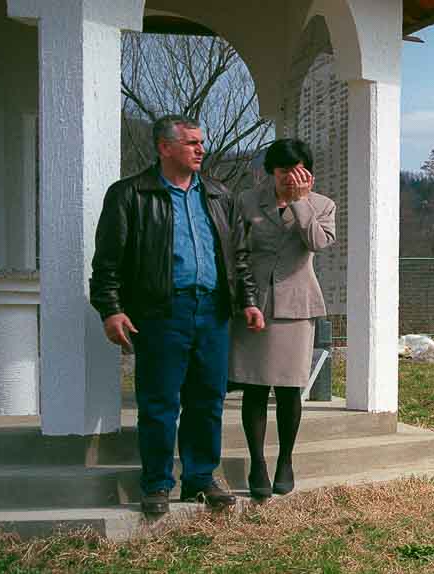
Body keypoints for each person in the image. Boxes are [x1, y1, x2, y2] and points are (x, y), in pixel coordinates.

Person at [90, 115, 259, 514]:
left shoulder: (218, 195)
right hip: (161, 311)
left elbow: (239, 257)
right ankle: (157, 484)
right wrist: (111, 309)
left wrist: (248, 300)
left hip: (213, 311)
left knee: (208, 400)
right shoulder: (131, 194)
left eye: (202, 142)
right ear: (164, 147)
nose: (201, 150)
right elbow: (107, 261)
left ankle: (200, 478)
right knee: (160, 402)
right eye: (191, 143)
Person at [230, 139, 335, 500]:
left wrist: (300, 203)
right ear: (269, 172)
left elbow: (319, 243)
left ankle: (285, 460)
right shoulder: (245, 201)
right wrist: (243, 298)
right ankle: (257, 462)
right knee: (255, 386)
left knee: (290, 388)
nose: (289, 177)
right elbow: (235, 252)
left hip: (297, 305)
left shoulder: (322, 204)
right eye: (282, 171)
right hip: (254, 305)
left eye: (297, 170)